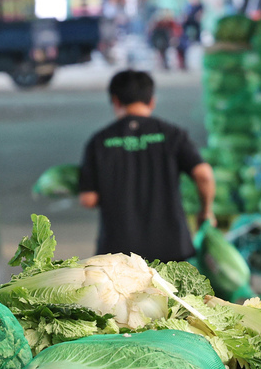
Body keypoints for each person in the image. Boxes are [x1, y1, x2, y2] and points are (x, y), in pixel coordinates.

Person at [77, 70, 215, 262]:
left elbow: (88, 199)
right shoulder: (172, 134)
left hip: (118, 254)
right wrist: (205, 211)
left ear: (115, 101)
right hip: (172, 248)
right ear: (152, 101)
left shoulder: (99, 141)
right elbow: (204, 175)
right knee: (171, 292)